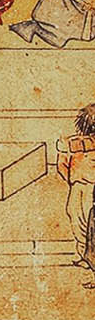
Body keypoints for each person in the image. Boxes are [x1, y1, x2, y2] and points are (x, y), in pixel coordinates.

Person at [58, 103, 95, 277]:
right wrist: (71, 177)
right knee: (74, 214)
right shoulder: (74, 142)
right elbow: (62, 164)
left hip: (92, 187)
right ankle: (84, 255)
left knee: (90, 222)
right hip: (78, 184)